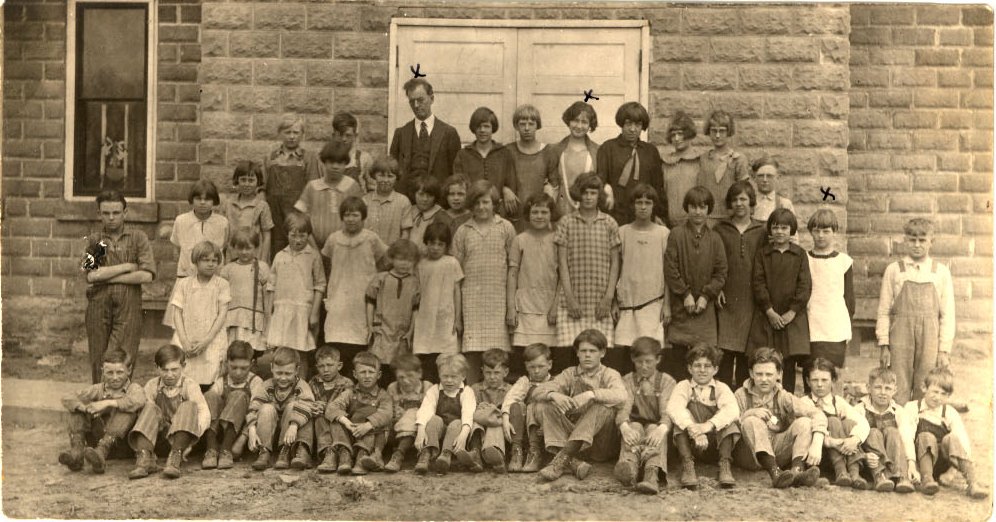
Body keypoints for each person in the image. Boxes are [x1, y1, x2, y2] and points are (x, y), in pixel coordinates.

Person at [876, 218, 955, 403]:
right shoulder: (894, 270)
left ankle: (922, 426)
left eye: (922, 240)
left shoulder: (940, 272)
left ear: (931, 242)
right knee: (898, 383)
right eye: (912, 240)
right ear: (905, 240)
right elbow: (883, 310)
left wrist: (944, 350)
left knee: (926, 382)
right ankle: (899, 426)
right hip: (900, 337)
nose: (917, 245)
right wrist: (884, 344)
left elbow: (947, 314)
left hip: (930, 337)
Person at [532, 329, 627, 482]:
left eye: (592, 351)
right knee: (544, 405)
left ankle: (563, 458)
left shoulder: (610, 374)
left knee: (602, 406)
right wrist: (553, 395)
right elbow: (537, 391)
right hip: (574, 442)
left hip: (600, 445)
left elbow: (622, 396)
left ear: (602, 353)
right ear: (577, 353)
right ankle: (572, 462)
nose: (587, 355)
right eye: (583, 351)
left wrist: (592, 394)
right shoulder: (570, 374)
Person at [83, 190, 156, 382]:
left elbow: (146, 275)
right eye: (106, 213)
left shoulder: (137, 238)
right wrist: (126, 267)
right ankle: (101, 402)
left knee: (124, 355)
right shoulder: (95, 240)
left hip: (128, 304)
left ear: (125, 212)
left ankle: (123, 404)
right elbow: (91, 276)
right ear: (99, 214)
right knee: (98, 356)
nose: (111, 217)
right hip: (98, 304)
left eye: (116, 212)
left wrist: (108, 277)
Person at [553, 174, 621, 374]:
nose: (589, 197)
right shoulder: (566, 222)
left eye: (593, 193)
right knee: (571, 352)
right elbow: (562, 264)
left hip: (600, 299)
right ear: (578, 195)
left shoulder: (609, 223)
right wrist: (570, 298)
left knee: (598, 351)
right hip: (574, 299)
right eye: (585, 193)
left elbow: (615, 263)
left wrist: (608, 298)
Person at [732, 347, 826, 489]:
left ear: (779, 374)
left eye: (769, 374)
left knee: (804, 422)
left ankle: (797, 472)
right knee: (752, 421)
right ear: (751, 373)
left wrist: (817, 441)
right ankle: (775, 473)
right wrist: (749, 413)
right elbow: (728, 422)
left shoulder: (783, 396)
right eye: (759, 374)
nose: (764, 379)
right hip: (749, 455)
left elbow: (817, 413)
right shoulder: (740, 394)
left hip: (776, 451)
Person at [453, 180, 516, 382]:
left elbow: (514, 268)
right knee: (471, 352)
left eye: (486, 202)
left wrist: (511, 307)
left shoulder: (505, 227)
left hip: (498, 300)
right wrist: (458, 315)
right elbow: (456, 273)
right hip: (471, 299)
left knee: (498, 354)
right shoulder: (463, 231)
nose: (481, 207)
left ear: (494, 203)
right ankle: (472, 398)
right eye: (477, 203)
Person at [663, 186, 728, 381]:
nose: (698, 212)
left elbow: (721, 272)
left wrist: (706, 296)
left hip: (704, 309)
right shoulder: (676, 234)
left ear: (709, 210)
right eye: (693, 207)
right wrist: (685, 295)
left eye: (702, 207)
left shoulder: (715, 238)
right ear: (686, 208)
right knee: (679, 359)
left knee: (705, 357)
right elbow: (671, 268)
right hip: (682, 307)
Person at [321, 197, 387, 377]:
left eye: (355, 215)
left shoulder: (371, 238)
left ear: (363, 216)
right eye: (347, 215)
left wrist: (373, 283)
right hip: (339, 299)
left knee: (361, 340)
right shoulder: (333, 239)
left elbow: (385, 261)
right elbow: (327, 265)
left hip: (362, 300)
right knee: (336, 342)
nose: (351, 219)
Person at [748, 208, 812, 393]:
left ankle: (787, 402)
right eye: (775, 227)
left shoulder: (800, 255)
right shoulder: (763, 254)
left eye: (784, 227)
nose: (780, 232)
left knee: (788, 364)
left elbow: (805, 285)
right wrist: (769, 311)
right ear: (770, 230)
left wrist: (792, 312)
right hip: (768, 317)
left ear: (791, 230)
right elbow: (758, 283)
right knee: (765, 361)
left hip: (790, 319)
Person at [127, 344, 211, 480]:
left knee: (189, 406)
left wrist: (191, 439)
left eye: (174, 369)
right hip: (159, 440)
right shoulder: (152, 385)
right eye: (165, 370)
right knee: (149, 407)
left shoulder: (190, 385)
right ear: (157, 368)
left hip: (182, 442)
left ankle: (174, 460)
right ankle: (144, 459)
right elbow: (145, 417)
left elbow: (204, 413)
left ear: (183, 367)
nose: (169, 375)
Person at [613, 184, 670, 376]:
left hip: (653, 302)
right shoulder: (622, 232)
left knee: (649, 353)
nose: (643, 207)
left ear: (654, 206)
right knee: (627, 354)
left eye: (648, 202)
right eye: (639, 202)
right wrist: (614, 301)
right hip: (627, 303)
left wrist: (667, 305)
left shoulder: (663, 234)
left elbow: (669, 272)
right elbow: (615, 269)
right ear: (632, 205)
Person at [666, 344, 741, 489]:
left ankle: (725, 464)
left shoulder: (721, 388)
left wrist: (708, 426)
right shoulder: (684, 386)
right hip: (691, 444)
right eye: (697, 365)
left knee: (730, 423)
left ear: (716, 369)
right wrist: (693, 429)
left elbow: (733, 410)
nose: (702, 370)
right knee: (678, 423)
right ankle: (688, 465)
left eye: (707, 366)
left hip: (714, 444)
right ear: (689, 368)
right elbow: (674, 408)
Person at [714, 181, 766, 388]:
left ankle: (744, 401)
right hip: (727, 297)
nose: (739, 203)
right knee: (725, 351)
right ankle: (725, 397)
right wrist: (717, 288)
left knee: (748, 351)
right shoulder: (720, 230)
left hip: (751, 298)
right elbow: (714, 262)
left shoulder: (761, 231)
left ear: (751, 201)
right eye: (734, 200)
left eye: (743, 199)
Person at [906, 368, 988, 499]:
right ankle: (927, 480)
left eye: (943, 394)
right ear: (924, 388)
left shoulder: (949, 412)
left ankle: (972, 483)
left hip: (942, 462)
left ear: (949, 396)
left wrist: (951, 471)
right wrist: (911, 465)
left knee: (952, 438)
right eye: (934, 391)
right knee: (926, 436)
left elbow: (962, 439)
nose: (937, 397)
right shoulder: (912, 408)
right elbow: (907, 437)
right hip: (921, 461)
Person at [59, 349, 145, 474]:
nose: (115, 377)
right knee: (76, 410)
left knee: (126, 410)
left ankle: (102, 453)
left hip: (121, 443)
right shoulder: (98, 389)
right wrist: (84, 408)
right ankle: (77, 454)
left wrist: (108, 403)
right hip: (96, 445)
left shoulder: (134, 389)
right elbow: (67, 397)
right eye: (110, 372)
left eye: (120, 372)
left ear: (129, 370)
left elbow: (139, 401)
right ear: (103, 371)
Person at [613, 337, 677, 495]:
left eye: (649, 361)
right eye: (639, 361)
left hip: (657, 430)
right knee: (633, 427)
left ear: (658, 359)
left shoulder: (667, 381)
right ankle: (630, 469)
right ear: (633, 359)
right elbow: (623, 407)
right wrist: (624, 426)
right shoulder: (627, 380)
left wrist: (663, 428)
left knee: (655, 428)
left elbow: (667, 410)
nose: (644, 366)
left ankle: (651, 473)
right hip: (635, 428)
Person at [507, 193, 559, 380]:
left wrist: (556, 306)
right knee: (526, 354)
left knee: (547, 355)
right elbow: (512, 274)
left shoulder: (557, 240)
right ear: (528, 214)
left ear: (550, 214)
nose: (539, 216)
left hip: (548, 304)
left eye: (544, 212)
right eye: (535, 212)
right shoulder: (520, 239)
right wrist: (511, 308)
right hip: (525, 304)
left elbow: (562, 276)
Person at [266, 212, 326, 376]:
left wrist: (314, 313)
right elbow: (271, 285)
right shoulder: (280, 256)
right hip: (281, 310)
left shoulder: (313, 256)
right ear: (287, 234)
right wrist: (269, 313)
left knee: (301, 353)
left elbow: (320, 284)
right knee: (280, 351)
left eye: (302, 235)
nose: (298, 240)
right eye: (293, 235)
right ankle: (281, 386)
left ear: (309, 235)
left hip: (302, 310)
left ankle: (301, 390)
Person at [166, 241, 231, 388]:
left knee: (210, 374)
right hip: (188, 336)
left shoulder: (222, 285)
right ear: (196, 261)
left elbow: (222, 315)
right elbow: (177, 312)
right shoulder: (184, 284)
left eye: (214, 260)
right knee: (185, 376)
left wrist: (205, 341)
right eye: (206, 260)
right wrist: (184, 341)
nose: (210, 264)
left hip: (211, 337)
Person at [801, 358, 871, 489]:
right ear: (807, 382)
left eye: (824, 380)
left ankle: (853, 474)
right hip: (817, 456)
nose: (820, 385)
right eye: (815, 380)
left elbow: (863, 423)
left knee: (849, 424)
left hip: (842, 452)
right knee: (832, 421)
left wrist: (854, 440)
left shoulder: (837, 402)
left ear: (833, 381)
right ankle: (841, 472)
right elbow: (804, 432)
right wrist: (832, 441)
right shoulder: (804, 402)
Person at [389, 78, 462, 200]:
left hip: (438, 201)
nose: (416, 105)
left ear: (432, 98)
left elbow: (455, 174)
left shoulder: (449, 133)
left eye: (420, 100)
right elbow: (392, 171)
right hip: (407, 202)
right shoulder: (401, 133)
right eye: (412, 102)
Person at [262, 114, 322, 257]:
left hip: (298, 214)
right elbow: (262, 187)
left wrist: (306, 217)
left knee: (300, 250)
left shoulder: (308, 158)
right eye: (287, 132)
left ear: (302, 134)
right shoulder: (270, 158)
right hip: (274, 215)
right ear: (280, 133)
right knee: (277, 251)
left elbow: (313, 189)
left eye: (296, 132)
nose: (292, 136)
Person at [247, 347, 316, 471]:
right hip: (271, 433)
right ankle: (264, 452)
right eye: (279, 373)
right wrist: (252, 430)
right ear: (272, 368)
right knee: (266, 408)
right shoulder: (267, 386)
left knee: (294, 406)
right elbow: (254, 407)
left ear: (297, 370)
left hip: (291, 433)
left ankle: (285, 452)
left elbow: (309, 405)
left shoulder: (301, 386)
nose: (283, 378)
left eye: (288, 373)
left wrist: (294, 425)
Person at [806, 209, 855, 384]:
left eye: (826, 231)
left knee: (832, 375)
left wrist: (843, 325)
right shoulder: (805, 259)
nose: (820, 236)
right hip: (812, 326)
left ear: (834, 233)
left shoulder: (843, 261)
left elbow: (849, 299)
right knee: (813, 374)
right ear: (811, 232)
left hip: (835, 329)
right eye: (816, 231)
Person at [200, 341, 265, 470]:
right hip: (217, 431)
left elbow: (256, 411)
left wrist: (242, 439)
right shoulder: (222, 381)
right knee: (209, 396)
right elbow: (208, 406)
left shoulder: (255, 382)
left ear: (251, 364)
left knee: (239, 395)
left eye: (243, 368)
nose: (238, 372)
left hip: (238, 435)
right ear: (226, 363)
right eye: (233, 367)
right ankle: (211, 449)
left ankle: (226, 450)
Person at [326, 351, 393, 475]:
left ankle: (362, 458)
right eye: (362, 372)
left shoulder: (383, 395)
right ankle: (344, 455)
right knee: (335, 420)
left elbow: (386, 413)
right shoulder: (350, 393)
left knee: (373, 417)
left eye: (371, 372)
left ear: (378, 375)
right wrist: (347, 423)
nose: (367, 376)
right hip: (353, 433)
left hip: (370, 435)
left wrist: (367, 425)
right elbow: (332, 407)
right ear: (355, 374)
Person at [598, 102, 665, 226]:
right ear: (621, 124)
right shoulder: (608, 148)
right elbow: (600, 179)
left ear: (642, 126)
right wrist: (606, 187)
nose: (632, 129)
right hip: (615, 214)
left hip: (644, 214)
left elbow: (658, 186)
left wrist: (658, 214)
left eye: (638, 124)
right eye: (628, 123)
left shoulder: (650, 151)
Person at [412, 222, 463, 383]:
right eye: (432, 243)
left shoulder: (451, 262)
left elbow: (457, 291)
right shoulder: (421, 264)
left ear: (446, 246)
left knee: (446, 356)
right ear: (426, 243)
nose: (435, 248)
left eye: (440, 244)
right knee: (426, 355)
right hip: (425, 316)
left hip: (445, 316)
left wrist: (458, 319)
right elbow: (417, 290)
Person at [853, 367, 918, 493]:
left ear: (895, 390)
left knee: (893, 432)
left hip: (894, 462)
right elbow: (852, 437)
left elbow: (906, 439)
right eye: (878, 387)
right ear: (868, 388)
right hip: (871, 463)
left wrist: (911, 464)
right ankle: (879, 477)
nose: (883, 392)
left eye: (887, 388)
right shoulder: (859, 409)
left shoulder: (898, 411)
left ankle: (900, 477)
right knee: (873, 432)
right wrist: (864, 456)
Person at [366, 239, 421, 387]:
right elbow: (370, 302)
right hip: (382, 329)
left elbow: (416, 308)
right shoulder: (381, 278)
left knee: (399, 366)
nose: (404, 263)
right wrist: (371, 325)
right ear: (392, 258)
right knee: (380, 364)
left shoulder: (415, 282)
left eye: (409, 260)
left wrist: (410, 331)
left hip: (402, 332)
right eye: (401, 259)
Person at [293, 140, 363, 250]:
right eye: (331, 162)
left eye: (340, 163)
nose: (335, 166)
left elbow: (361, 218)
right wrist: (314, 248)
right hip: (314, 247)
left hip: (345, 247)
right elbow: (301, 220)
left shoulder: (352, 186)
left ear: (346, 164)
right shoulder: (312, 186)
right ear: (324, 163)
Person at [414, 354, 477, 475]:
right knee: (434, 419)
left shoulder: (466, 392)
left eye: (453, 377)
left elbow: (468, 413)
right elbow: (426, 409)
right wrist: (421, 430)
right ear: (439, 375)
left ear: (463, 376)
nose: (449, 380)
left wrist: (463, 435)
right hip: (438, 432)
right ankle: (426, 453)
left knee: (457, 422)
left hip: (456, 434)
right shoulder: (435, 390)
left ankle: (445, 455)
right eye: (445, 376)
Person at [453, 106, 520, 220]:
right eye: (478, 127)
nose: (482, 130)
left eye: (486, 126)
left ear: (492, 128)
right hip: (471, 212)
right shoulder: (463, 155)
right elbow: (459, 185)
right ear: (473, 129)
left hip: (498, 213)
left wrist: (506, 189)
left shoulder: (504, 153)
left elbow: (511, 182)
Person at [501, 342, 553, 473]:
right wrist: (506, 418)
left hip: (545, 431)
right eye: (532, 367)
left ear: (549, 365)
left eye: (540, 366)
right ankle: (517, 451)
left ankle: (535, 453)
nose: (536, 371)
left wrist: (547, 424)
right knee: (516, 405)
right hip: (524, 432)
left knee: (534, 407)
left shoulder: (555, 382)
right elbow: (510, 398)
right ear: (526, 367)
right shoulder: (525, 381)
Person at [302, 345, 354, 473]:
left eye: (330, 365)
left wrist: (325, 408)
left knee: (334, 418)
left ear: (339, 365)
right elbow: (308, 400)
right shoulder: (313, 382)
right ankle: (328, 452)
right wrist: (313, 406)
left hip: (341, 422)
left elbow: (343, 405)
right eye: (321, 366)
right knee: (319, 418)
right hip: (320, 423)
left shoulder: (346, 383)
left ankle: (344, 452)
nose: (326, 370)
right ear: (317, 367)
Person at [696, 110, 751, 227]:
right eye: (714, 131)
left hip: (730, 218)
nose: (717, 135)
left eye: (722, 131)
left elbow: (743, 191)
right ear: (708, 132)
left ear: (729, 132)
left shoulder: (738, 159)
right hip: (707, 219)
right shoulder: (703, 159)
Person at [220, 229, 271, 353]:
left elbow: (267, 298)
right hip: (233, 319)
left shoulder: (262, 268)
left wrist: (267, 325)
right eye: (240, 248)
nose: (244, 252)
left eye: (248, 248)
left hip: (253, 319)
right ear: (233, 248)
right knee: (233, 350)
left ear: (256, 248)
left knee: (250, 351)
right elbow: (222, 298)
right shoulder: (228, 269)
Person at [508, 104, 558, 231]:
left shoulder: (548, 151)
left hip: (539, 213)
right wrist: (505, 189)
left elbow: (554, 184)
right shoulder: (508, 150)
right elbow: (501, 178)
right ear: (516, 126)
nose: (526, 128)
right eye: (522, 124)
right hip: (515, 214)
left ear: (537, 126)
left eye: (531, 124)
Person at [548, 101, 600, 219]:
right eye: (575, 120)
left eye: (584, 122)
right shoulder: (556, 150)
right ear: (568, 121)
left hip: (588, 212)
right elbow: (553, 183)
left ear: (590, 125)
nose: (579, 126)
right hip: (562, 211)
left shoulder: (597, 151)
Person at [384, 354, 433, 472]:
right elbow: (389, 411)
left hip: (422, 430)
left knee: (414, 413)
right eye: (401, 377)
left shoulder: (427, 387)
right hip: (398, 430)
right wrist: (396, 413)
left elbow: (432, 410)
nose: (405, 381)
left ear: (419, 373)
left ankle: (401, 454)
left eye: (410, 376)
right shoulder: (393, 388)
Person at [171, 179, 229, 279]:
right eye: (198, 198)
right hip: (186, 276)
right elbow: (176, 249)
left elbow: (224, 249)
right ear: (192, 199)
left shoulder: (222, 222)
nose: (202, 202)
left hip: (214, 277)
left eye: (207, 199)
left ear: (214, 200)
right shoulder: (181, 221)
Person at [468, 349, 513, 473]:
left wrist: (488, 412)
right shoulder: (476, 389)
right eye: (488, 373)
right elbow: (472, 412)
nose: (492, 377)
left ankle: (497, 456)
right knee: (475, 421)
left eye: (496, 373)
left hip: (499, 431)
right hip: (480, 428)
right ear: (482, 371)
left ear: (505, 372)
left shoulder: (510, 390)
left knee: (495, 426)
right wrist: (494, 415)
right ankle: (476, 454)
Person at [225, 160, 273, 263]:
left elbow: (267, 235)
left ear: (258, 182)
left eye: (251, 180)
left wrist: (263, 260)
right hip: (232, 255)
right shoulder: (228, 204)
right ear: (237, 181)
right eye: (243, 180)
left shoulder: (262, 206)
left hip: (253, 255)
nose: (247, 184)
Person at [662, 110, 702, 227]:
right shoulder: (665, 162)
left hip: (695, 223)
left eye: (680, 134)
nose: (677, 138)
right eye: (673, 135)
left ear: (689, 134)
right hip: (670, 223)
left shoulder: (699, 160)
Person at [364, 156, 412, 247]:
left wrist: (396, 251)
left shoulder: (403, 201)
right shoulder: (365, 200)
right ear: (374, 176)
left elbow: (405, 233)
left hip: (392, 254)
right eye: (381, 175)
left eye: (390, 176)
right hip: (368, 253)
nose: (385, 180)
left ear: (396, 178)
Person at [401, 175, 452, 252]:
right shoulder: (409, 210)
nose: (425, 199)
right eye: (421, 194)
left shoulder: (441, 216)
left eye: (430, 195)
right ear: (414, 194)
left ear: (435, 196)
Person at [331, 111, 374, 192]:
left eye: (348, 135)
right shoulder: (325, 160)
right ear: (333, 135)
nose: (344, 139)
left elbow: (372, 188)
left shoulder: (364, 158)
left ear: (355, 136)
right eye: (340, 135)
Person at [751, 154, 795, 222]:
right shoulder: (748, 203)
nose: (765, 180)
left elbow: (792, 231)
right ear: (754, 178)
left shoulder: (785, 204)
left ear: (777, 178)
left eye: (769, 176)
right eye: (761, 176)